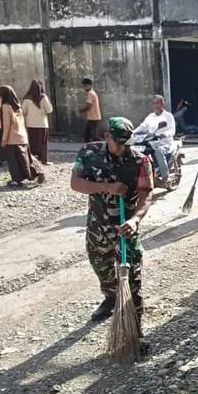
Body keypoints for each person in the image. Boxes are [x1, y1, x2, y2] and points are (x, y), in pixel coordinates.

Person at [70, 117, 154, 355]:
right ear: (107, 137)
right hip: (97, 228)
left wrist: (135, 220)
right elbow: (75, 183)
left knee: (132, 280)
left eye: (127, 143)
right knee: (102, 269)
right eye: (119, 143)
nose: (124, 148)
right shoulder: (89, 153)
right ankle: (110, 297)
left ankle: (135, 334)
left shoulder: (140, 160)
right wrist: (106, 187)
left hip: (124, 230)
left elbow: (146, 194)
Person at [0, 85, 44, 187]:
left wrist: (4, 139)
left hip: (12, 138)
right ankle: (35, 172)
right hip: (22, 136)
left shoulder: (6, 107)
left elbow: (7, 125)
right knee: (25, 159)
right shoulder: (18, 106)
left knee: (13, 161)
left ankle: (16, 179)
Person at [133, 95, 176, 186]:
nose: (156, 105)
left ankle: (165, 177)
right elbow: (143, 126)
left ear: (162, 103)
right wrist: (133, 132)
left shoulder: (168, 116)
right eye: (154, 103)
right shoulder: (150, 116)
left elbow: (172, 130)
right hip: (150, 141)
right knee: (137, 152)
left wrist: (165, 134)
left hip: (164, 142)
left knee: (158, 152)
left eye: (158, 103)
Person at [22, 79, 54, 165]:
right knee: (43, 143)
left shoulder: (26, 99)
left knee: (32, 142)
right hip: (42, 124)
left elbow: (23, 111)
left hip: (30, 124)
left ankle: (31, 160)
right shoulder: (43, 97)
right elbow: (49, 110)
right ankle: (44, 160)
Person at [79, 78, 101, 142]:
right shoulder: (92, 93)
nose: (84, 88)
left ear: (90, 86)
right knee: (87, 135)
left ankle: (103, 145)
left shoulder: (90, 94)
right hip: (92, 117)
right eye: (83, 86)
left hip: (93, 117)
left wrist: (81, 110)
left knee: (94, 136)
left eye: (85, 86)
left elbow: (89, 106)